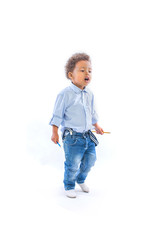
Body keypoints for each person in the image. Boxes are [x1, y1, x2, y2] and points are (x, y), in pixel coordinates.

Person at [49, 53, 104, 198]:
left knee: (91, 160)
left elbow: (92, 112)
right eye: (82, 70)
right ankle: (69, 185)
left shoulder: (90, 94)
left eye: (90, 71)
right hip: (72, 138)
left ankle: (81, 179)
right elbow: (57, 115)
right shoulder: (65, 94)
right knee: (72, 164)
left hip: (88, 136)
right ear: (70, 75)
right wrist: (54, 132)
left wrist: (96, 125)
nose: (87, 73)